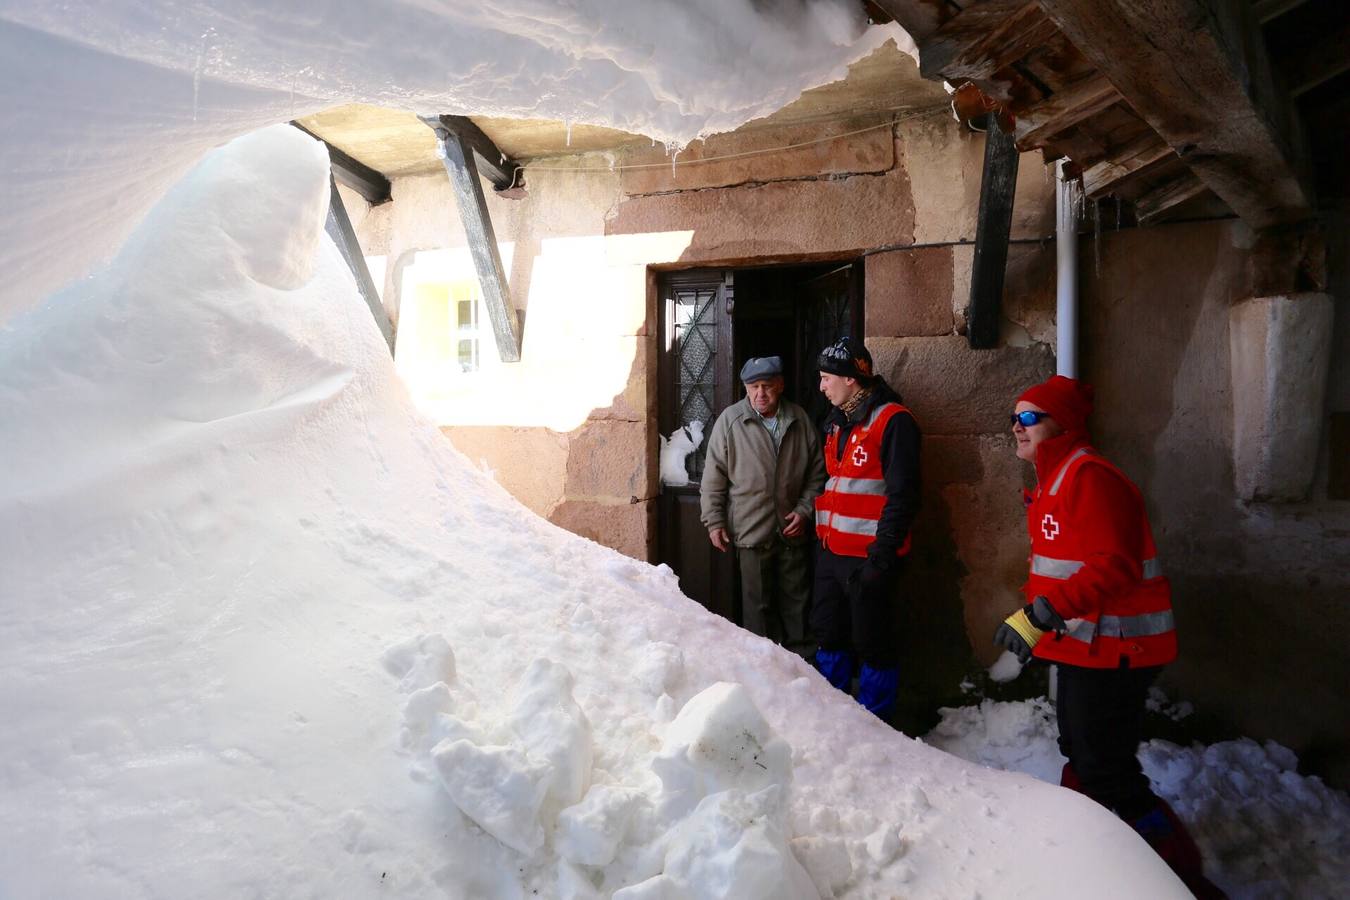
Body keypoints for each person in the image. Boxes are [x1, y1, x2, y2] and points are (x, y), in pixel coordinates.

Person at [994, 375, 1222, 898]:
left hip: (1120, 647)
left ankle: (1178, 876)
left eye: (1029, 417)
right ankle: (1086, 849)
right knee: (1082, 750)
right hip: (1086, 645)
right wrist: (1039, 621)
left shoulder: (1089, 477)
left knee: (1106, 766)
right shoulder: (1053, 479)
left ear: (1063, 424)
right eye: (1014, 417)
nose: (1016, 426)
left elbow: (1114, 567)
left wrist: (1040, 615)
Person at [812, 337, 920, 721]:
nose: (821, 386)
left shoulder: (893, 421)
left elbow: (902, 496)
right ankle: (833, 719)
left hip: (870, 561)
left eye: (826, 378)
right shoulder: (836, 422)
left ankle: (876, 726)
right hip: (831, 555)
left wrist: (882, 558)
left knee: (873, 644)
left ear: (850, 379)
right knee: (828, 635)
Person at [700, 356, 826, 656]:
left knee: (797, 605)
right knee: (757, 610)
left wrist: (805, 509)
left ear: (780, 386)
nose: (760, 393)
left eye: (767, 386)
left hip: (791, 530)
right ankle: (764, 672)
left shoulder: (798, 420)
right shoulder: (730, 422)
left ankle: (805, 672)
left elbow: (817, 474)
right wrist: (714, 521)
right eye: (753, 387)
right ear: (745, 388)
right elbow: (713, 477)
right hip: (750, 531)